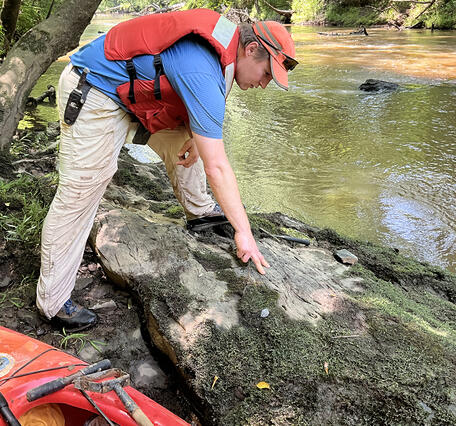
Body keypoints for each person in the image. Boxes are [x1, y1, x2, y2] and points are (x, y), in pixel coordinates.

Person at [36, 8, 298, 330]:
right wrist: (244, 232)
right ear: (251, 49)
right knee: (80, 193)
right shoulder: (202, 66)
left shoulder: (226, 51)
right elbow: (218, 166)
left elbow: (192, 108)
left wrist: (192, 135)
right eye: (267, 73)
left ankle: (200, 212)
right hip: (96, 92)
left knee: (197, 143)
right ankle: (52, 301)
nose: (265, 83)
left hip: (138, 99)